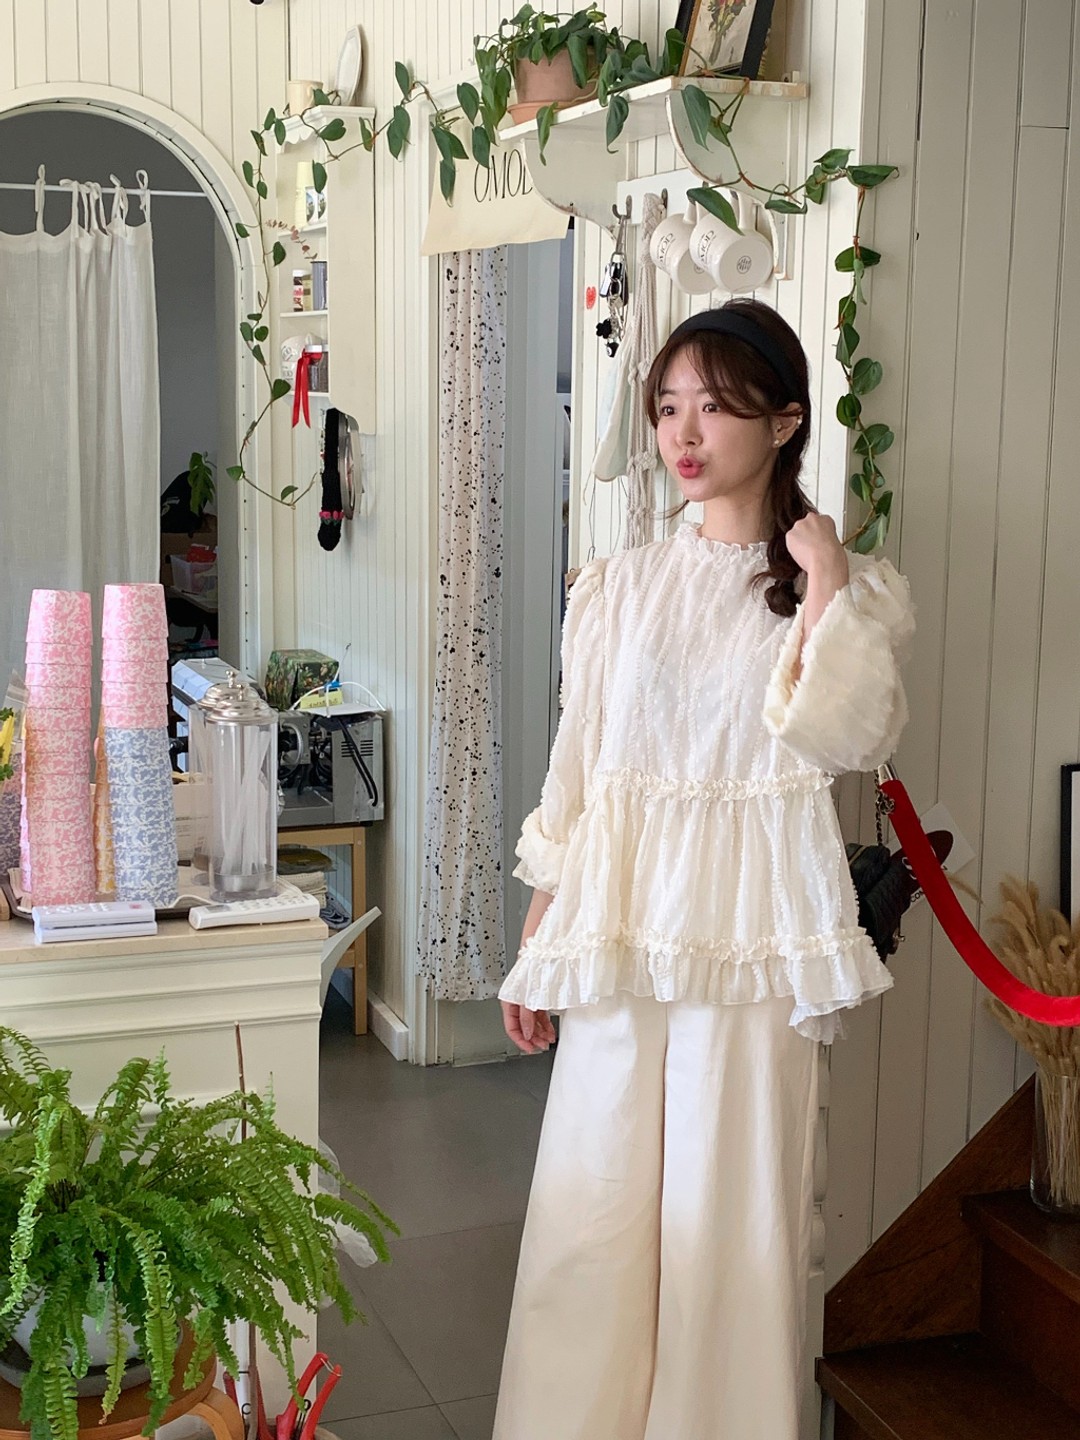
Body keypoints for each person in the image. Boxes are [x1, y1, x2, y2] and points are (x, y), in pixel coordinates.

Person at [492, 298, 915, 1440]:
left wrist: (824, 583)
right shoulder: (619, 586)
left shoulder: (842, 587)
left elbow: (847, 738)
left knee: (733, 1235)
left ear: (784, 422)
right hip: (620, 930)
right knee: (591, 1221)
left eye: (716, 407)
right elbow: (580, 768)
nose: (683, 433)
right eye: (668, 405)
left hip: (753, 946)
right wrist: (540, 930)